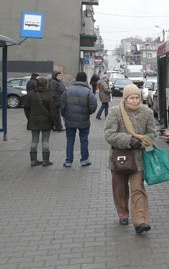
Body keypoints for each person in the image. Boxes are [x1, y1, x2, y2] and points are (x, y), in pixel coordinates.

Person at [104, 84, 155, 234]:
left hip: (138, 159)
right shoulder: (115, 112)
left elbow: (152, 133)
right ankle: (123, 213)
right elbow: (108, 134)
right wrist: (128, 140)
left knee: (137, 189)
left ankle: (140, 222)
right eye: (131, 98)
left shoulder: (147, 112)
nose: (135, 101)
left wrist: (146, 140)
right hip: (119, 159)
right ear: (125, 99)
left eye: (137, 97)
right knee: (120, 190)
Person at [60, 72, 98, 167]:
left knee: (70, 141)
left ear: (76, 79)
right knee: (84, 140)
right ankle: (84, 160)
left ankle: (68, 161)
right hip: (83, 120)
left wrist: (64, 115)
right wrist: (87, 113)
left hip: (69, 120)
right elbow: (93, 105)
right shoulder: (88, 91)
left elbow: (62, 105)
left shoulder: (67, 90)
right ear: (85, 80)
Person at [23, 77, 58, 166]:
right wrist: (54, 122)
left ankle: (33, 160)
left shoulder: (31, 94)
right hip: (46, 121)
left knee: (34, 140)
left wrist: (30, 118)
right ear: (46, 84)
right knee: (45, 141)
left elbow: (26, 108)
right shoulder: (50, 95)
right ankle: (46, 161)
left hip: (34, 121)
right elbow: (53, 111)